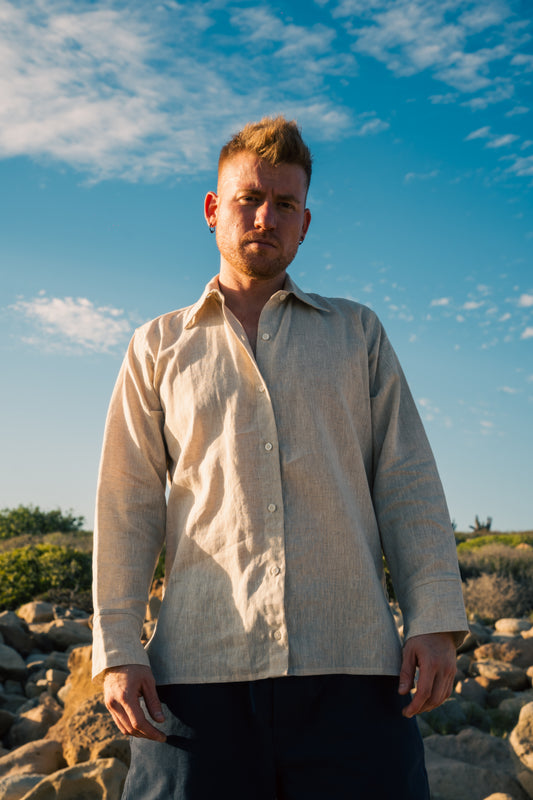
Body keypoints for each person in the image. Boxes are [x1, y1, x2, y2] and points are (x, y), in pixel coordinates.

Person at [92, 116, 468, 800]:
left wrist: (434, 624)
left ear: (304, 223)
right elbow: (126, 505)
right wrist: (117, 651)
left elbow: (407, 481)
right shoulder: (157, 346)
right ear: (213, 209)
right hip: (197, 674)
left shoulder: (356, 333)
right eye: (248, 198)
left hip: (353, 669)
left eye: (284, 205)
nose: (265, 217)